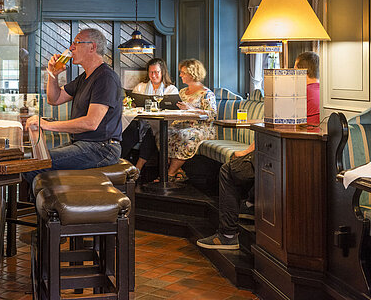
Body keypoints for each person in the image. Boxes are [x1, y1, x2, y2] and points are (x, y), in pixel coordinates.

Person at [197, 51, 320, 250]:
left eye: (294, 68)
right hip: (309, 157)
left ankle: (228, 235)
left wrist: (246, 151)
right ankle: (251, 205)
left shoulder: (296, 95)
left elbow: (271, 127)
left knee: (229, 170)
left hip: (285, 154)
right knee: (253, 164)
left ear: (300, 70)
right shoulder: (323, 94)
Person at [23, 28, 122, 186]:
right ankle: (51, 207)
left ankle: (47, 209)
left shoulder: (105, 78)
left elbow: (91, 123)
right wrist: (52, 74)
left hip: (102, 149)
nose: (71, 48)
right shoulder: (84, 77)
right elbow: (54, 99)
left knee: (33, 165)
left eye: (76, 43)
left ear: (92, 47)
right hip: (84, 144)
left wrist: (46, 125)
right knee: (32, 159)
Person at [121, 58, 178, 159]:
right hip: (140, 123)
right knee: (129, 131)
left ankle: (135, 168)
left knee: (150, 132)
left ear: (163, 72)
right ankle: (120, 162)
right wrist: (131, 104)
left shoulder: (170, 89)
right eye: (151, 72)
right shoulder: (140, 87)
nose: (153, 75)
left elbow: (173, 110)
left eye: (156, 72)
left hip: (159, 124)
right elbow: (132, 103)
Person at [295, 51, 320, 125]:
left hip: (302, 134)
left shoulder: (301, 94)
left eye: (295, 70)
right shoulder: (323, 93)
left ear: (301, 72)